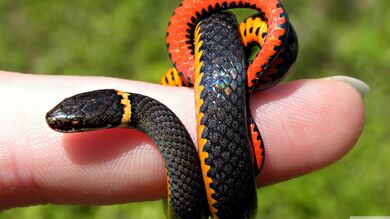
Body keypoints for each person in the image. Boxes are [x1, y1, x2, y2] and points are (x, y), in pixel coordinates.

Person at [0, 70, 368, 209]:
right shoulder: (159, 122)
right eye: (75, 119)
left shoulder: (157, 119)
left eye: (76, 121)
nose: (70, 124)